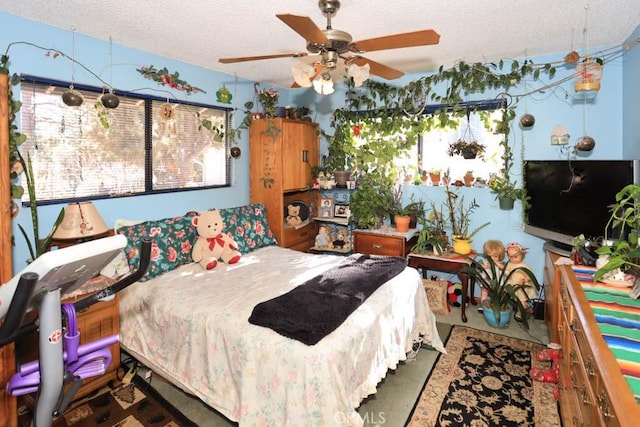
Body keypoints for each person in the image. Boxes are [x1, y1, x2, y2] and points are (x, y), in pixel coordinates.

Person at [504, 242, 536, 321]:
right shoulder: (509, 264)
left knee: (522, 300)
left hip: (522, 287)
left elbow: (530, 275)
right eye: (510, 256)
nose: (512, 259)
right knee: (513, 298)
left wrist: (525, 279)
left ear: (522, 256)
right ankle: (515, 308)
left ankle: (521, 312)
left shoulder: (524, 266)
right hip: (513, 284)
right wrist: (507, 273)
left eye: (515, 257)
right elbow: (507, 271)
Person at [478, 240, 505, 312]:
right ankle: (483, 305)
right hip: (486, 282)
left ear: (500, 256)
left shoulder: (501, 263)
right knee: (484, 293)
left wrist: (496, 263)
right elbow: (478, 266)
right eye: (489, 256)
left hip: (498, 284)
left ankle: (497, 307)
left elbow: (504, 268)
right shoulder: (484, 261)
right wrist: (483, 266)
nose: (492, 258)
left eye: (495, 256)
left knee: (499, 296)